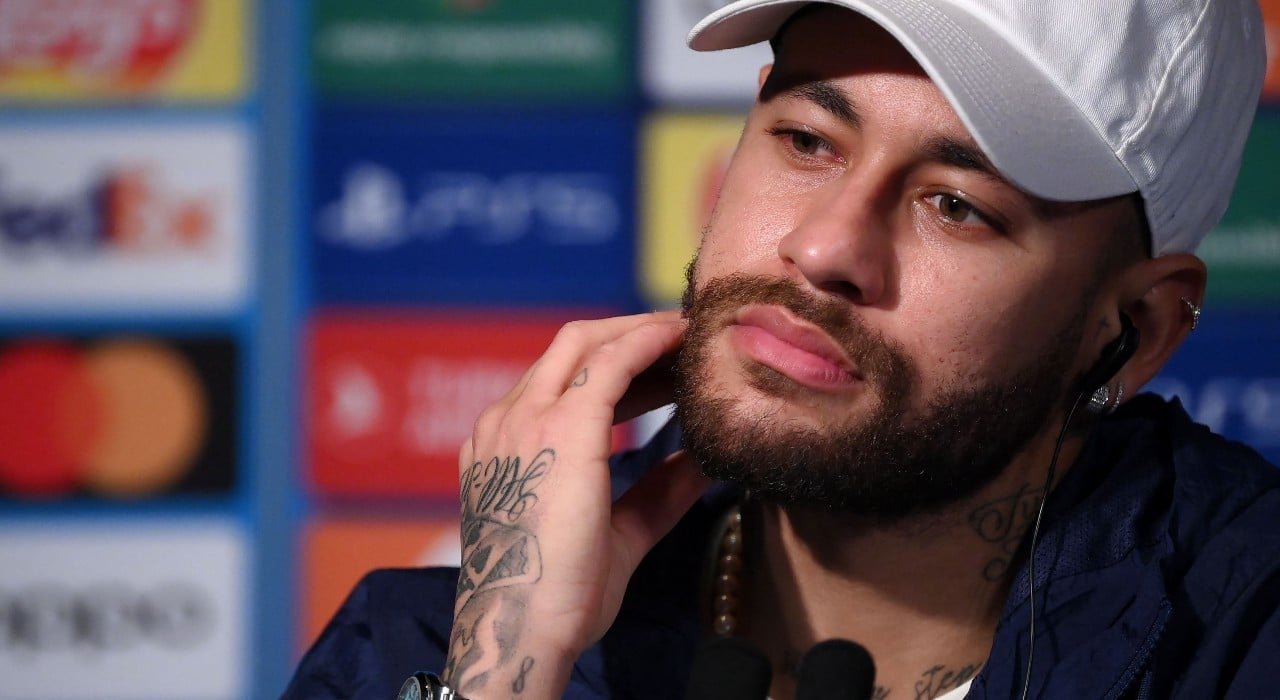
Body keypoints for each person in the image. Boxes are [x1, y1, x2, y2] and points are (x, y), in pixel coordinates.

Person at [286, 1, 1280, 698]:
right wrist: (508, 671)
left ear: (1133, 328)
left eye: (955, 205)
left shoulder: (1243, 639)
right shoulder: (439, 644)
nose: (823, 247)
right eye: (806, 141)